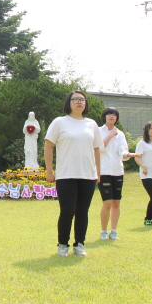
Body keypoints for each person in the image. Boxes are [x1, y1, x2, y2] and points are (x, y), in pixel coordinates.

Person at [45, 90, 102, 256]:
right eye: (75, 99)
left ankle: (80, 245)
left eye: (82, 100)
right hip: (65, 174)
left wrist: (98, 173)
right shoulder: (59, 122)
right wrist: (49, 170)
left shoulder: (91, 124)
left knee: (82, 212)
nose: (79, 102)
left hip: (88, 175)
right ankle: (63, 244)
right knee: (67, 211)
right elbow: (48, 146)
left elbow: (97, 150)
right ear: (68, 103)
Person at [98, 107, 139, 240]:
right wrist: (110, 135)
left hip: (117, 171)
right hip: (103, 171)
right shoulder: (98, 131)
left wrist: (128, 154)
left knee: (116, 203)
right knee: (107, 202)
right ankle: (103, 231)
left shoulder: (120, 134)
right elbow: (99, 148)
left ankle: (113, 230)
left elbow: (123, 151)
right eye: (109, 114)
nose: (112, 116)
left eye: (114, 115)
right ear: (104, 116)